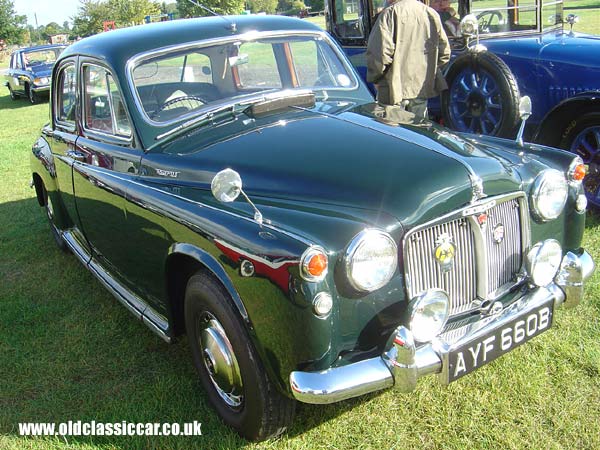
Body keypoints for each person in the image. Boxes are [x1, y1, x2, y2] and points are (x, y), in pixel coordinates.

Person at [366, 0, 451, 120]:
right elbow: (444, 52)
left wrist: (375, 78)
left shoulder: (389, 13)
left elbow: (379, 53)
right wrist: (429, 72)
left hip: (393, 89)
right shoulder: (431, 13)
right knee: (418, 132)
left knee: (394, 133)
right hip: (420, 87)